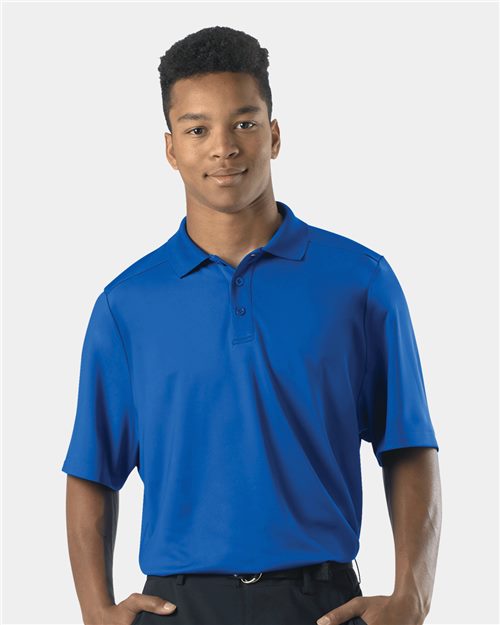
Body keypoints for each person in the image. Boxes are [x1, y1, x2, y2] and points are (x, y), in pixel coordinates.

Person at [61, 25, 442, 625]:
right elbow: (91, 469)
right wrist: (94, 610)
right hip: (179, 606)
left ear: (274, 134)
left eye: (243, 123)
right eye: (197, 130)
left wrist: (413, 596)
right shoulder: (126, 304)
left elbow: (408, 442)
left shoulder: (361, 281)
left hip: (320, 603)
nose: (223, 148)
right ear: (171, 149)